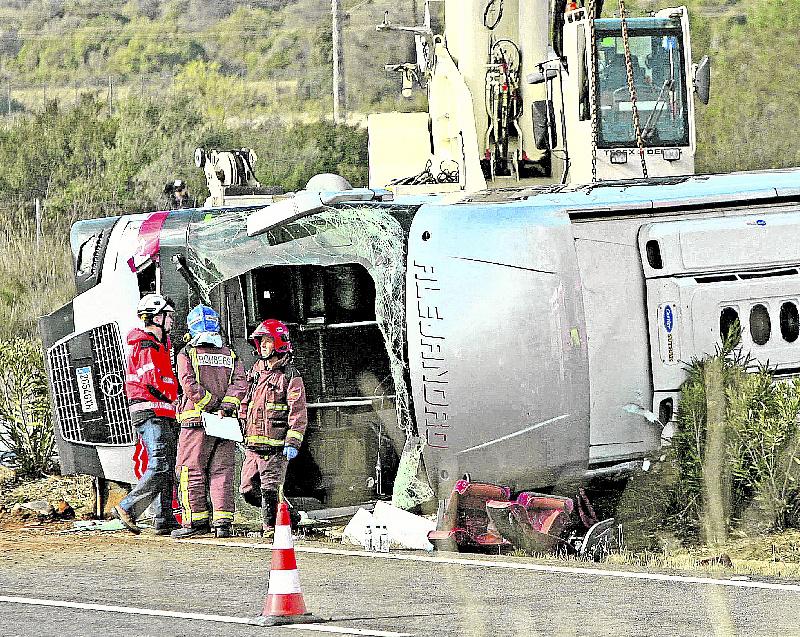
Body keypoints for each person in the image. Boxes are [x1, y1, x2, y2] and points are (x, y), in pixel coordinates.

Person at [171, 304, 248, 539]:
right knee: (222, 471)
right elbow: (240, 384)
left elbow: (188, 383)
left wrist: (211, 405)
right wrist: (225, 407)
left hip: (196, 422)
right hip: (225, 423)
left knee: (190, 470)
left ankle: (195, 521)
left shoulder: (187, 353)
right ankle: (222, 522)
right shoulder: (229, 354)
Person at [114, 294, 179, 535]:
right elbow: (154, 382)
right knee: (160, 464)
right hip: (150, 411)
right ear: (157, 317)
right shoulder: (146, 345)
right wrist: (175, 392)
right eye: (168, 315)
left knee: (167, 465)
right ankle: (128, 507)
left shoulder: (160, 344)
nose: (172, 320)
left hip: (161, 411)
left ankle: (164, 518)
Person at [239, 319, 307, 538]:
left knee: (270, 489)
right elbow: (245, 401)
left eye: (267, 341)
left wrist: (293, 441)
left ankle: (272, 529)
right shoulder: (256, 372)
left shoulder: (289, 375)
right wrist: (239, 424)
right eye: (261, 342)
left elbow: (298, 412)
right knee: (247, 490)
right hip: (252, 445)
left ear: (279, 343)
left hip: (275, 448)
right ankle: (288, 515)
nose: (263, 346)